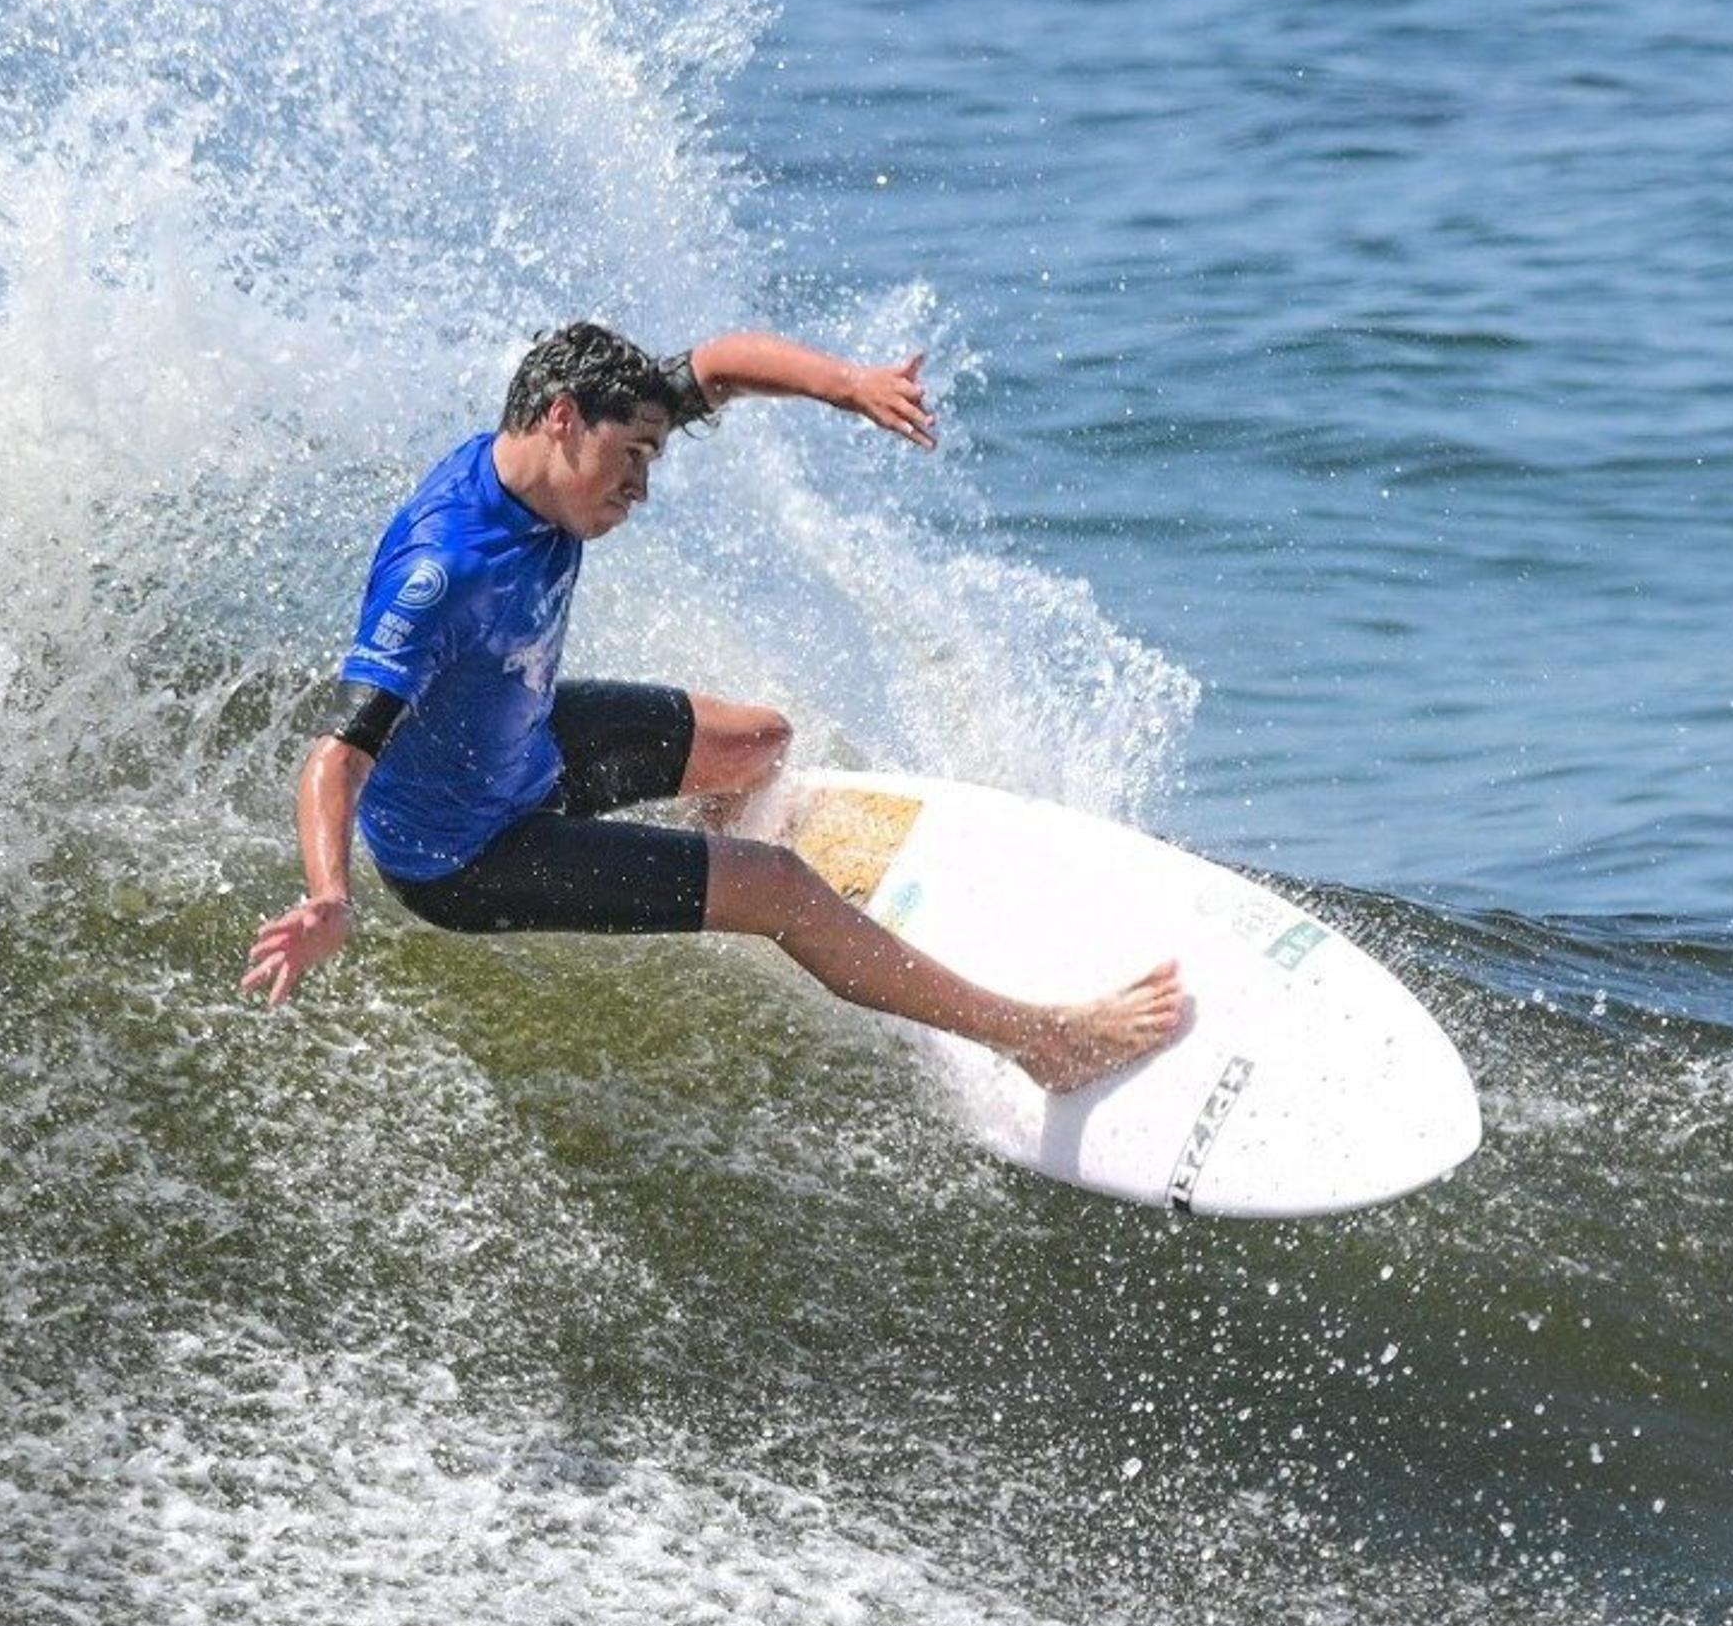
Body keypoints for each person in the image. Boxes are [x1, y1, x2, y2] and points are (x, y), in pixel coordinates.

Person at [242, 322, 1186, 1093]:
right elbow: (339, 756)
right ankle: (1039, 1041)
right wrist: (330, 898)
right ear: (564, 419)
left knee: (759, 739)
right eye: (632, 456)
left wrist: (849, 385)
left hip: (519, 743)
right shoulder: (441, 570)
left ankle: (738, 903)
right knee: (775, 881)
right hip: (467, 854)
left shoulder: (540, 460)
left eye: (654, 453)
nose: (642, 486)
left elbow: (719, 364)